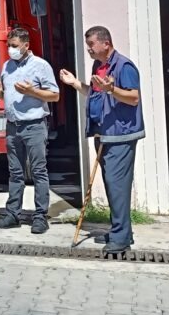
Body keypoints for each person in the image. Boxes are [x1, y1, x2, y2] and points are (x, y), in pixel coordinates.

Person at [58, 26, 143, 254]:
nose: (89, 50)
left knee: (117, 187)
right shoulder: (99, 66)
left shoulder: (124, 66)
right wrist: (75, 83)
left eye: (92, 45)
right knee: (111, 186)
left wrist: (112, 89)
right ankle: (121, 231)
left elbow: (134, 98)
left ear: (106, 43)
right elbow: (95, 94)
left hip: (121, 136)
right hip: (104, 134)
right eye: (88, 46)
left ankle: (120, 238)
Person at [0, 28, 60, 234]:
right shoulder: (7, 66)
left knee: (38, 171)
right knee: (15, 172)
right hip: (13, 125)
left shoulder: (40, 66)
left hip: (34, 125)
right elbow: (8, 96)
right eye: (8, 45)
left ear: (26, 45)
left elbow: (54, 96)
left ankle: (40, 216)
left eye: (14, 46)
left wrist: (32, 91)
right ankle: (13, 213)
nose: (10, 49)